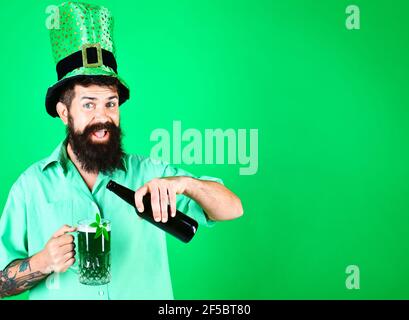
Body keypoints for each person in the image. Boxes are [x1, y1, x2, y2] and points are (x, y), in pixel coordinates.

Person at [0, 2, 243, 299]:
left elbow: (233, 208)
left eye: (110, 104)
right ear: (64, 113)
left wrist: (185, 184)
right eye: (88, 104)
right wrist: (41, 262)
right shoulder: (31, 186)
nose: (102, 117)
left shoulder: (152, 173)